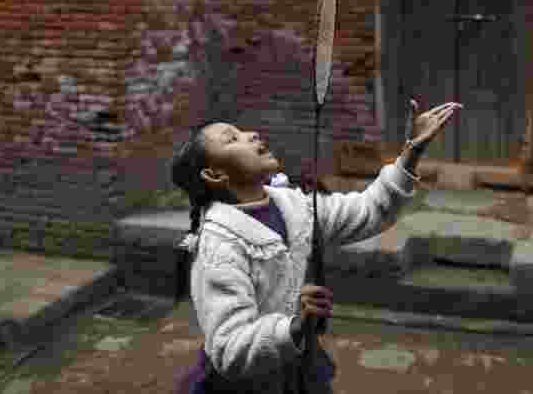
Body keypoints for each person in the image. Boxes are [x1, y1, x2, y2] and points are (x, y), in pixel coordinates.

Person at [170, 99, 463, 394]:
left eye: (242, 131)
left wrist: (412, 151)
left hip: (298, 369)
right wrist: (292, 326)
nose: (251, 135)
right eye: (231, 139)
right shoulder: (219, 246)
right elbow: (229, 348)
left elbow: (370, 210)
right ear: (216, 175)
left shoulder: (294, 206)